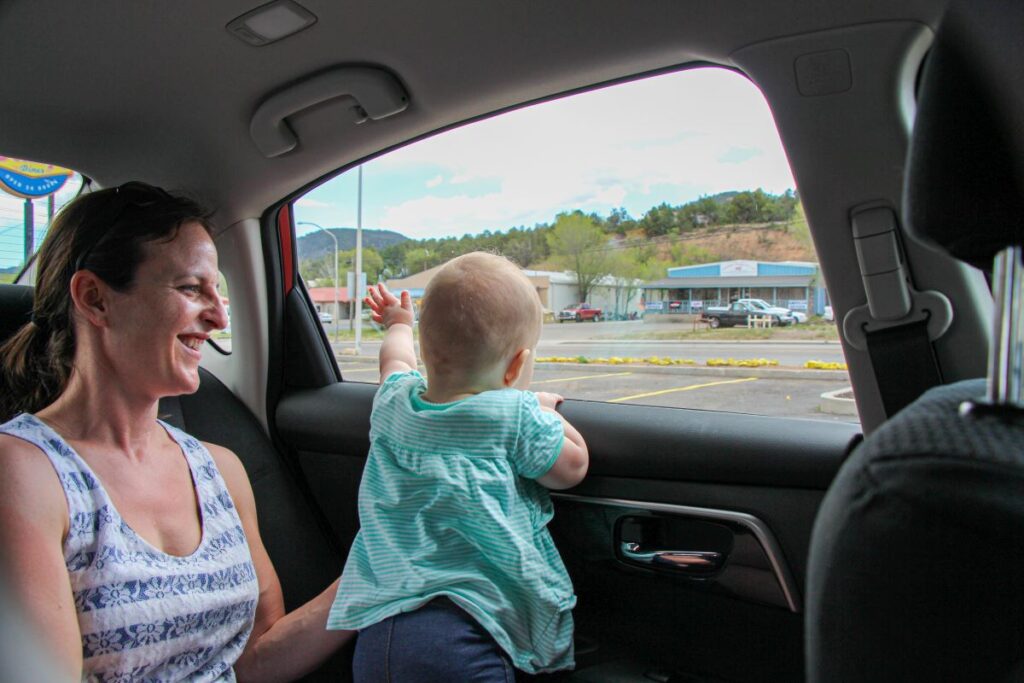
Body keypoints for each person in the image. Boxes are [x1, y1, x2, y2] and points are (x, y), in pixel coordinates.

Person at [0, 182, 353, 681]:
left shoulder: (219, 469)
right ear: (95, 299)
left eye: (218, 290)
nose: (218, 315)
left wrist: (378, 571)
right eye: (191, 289)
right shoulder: (24, 472)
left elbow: (251, 660)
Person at [327, 252, 590, 680]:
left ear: (427, 350)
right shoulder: (512, 417)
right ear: (517, 366)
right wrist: (542, 408)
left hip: (380, 631)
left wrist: (397, 323)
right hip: (472, 634)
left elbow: (394, 362)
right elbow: (572, 466)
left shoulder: (394, 402)